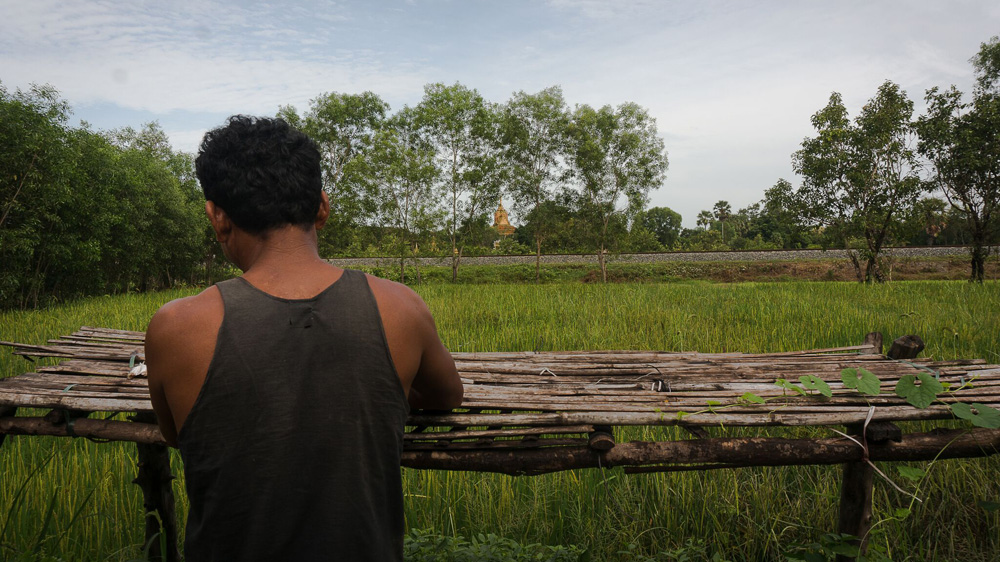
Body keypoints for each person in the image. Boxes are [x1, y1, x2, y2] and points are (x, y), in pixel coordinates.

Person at [145, 115, 463, 562]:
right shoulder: (400, 307)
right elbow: (448, 395)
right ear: (322, 206)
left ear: (216, 216)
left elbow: (178, 434)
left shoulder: (174, 327)